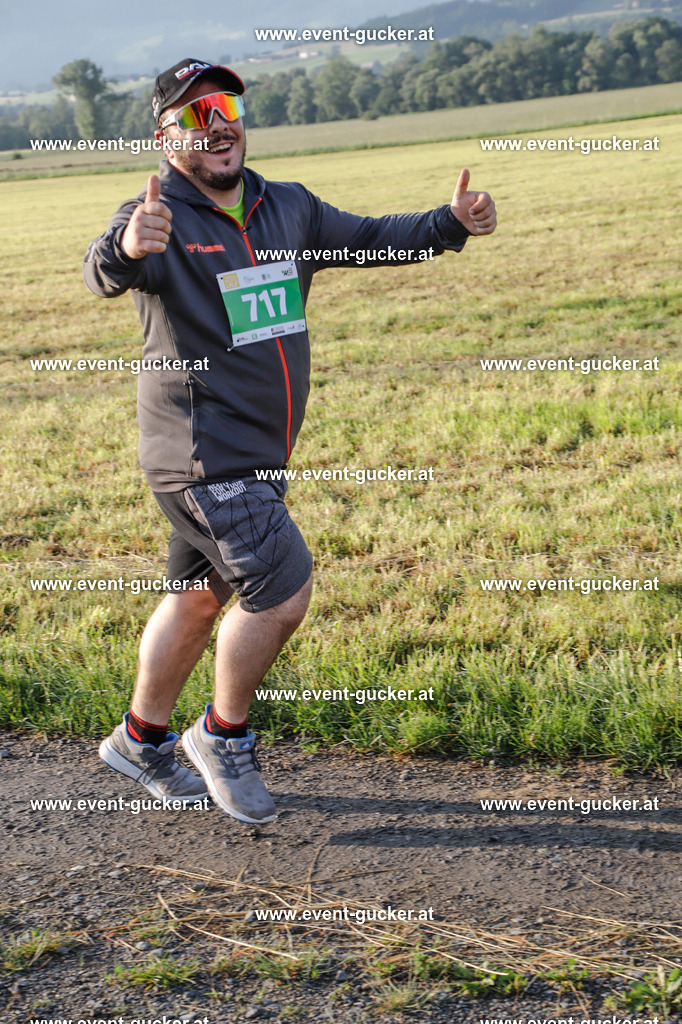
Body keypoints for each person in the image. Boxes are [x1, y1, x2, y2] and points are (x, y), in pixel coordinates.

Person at [84, 58, 497, 826]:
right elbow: (104, 267)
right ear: (165, 137)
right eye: (195, 115)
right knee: (282, 586)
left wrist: (448, 225)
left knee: (199, 597)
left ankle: (140, 742)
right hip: (202, 457)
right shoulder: (159, 217)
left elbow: (370, 238)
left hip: (256, 456)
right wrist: (128, 248)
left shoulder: (287, 207)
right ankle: (223, 736)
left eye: (227, 106)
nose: (218, 125)